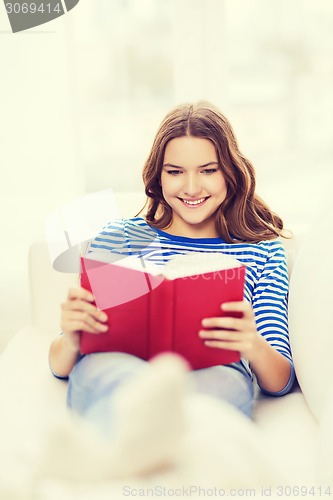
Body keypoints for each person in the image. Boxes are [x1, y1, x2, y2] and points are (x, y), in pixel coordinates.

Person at [48, 101, 295, 478]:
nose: (192, 187)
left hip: (215, 369)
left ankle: (124, 454)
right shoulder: (121, 237)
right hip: (117, 362)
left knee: (213, 392)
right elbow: (59, 363)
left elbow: (280, 381)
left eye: (208, 170)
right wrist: (72, 338)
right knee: (109, 376)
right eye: (175, 171)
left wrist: (251, 343)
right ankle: (137, 443)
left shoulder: (262, 251)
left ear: (229, 172)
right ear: (157, 177)